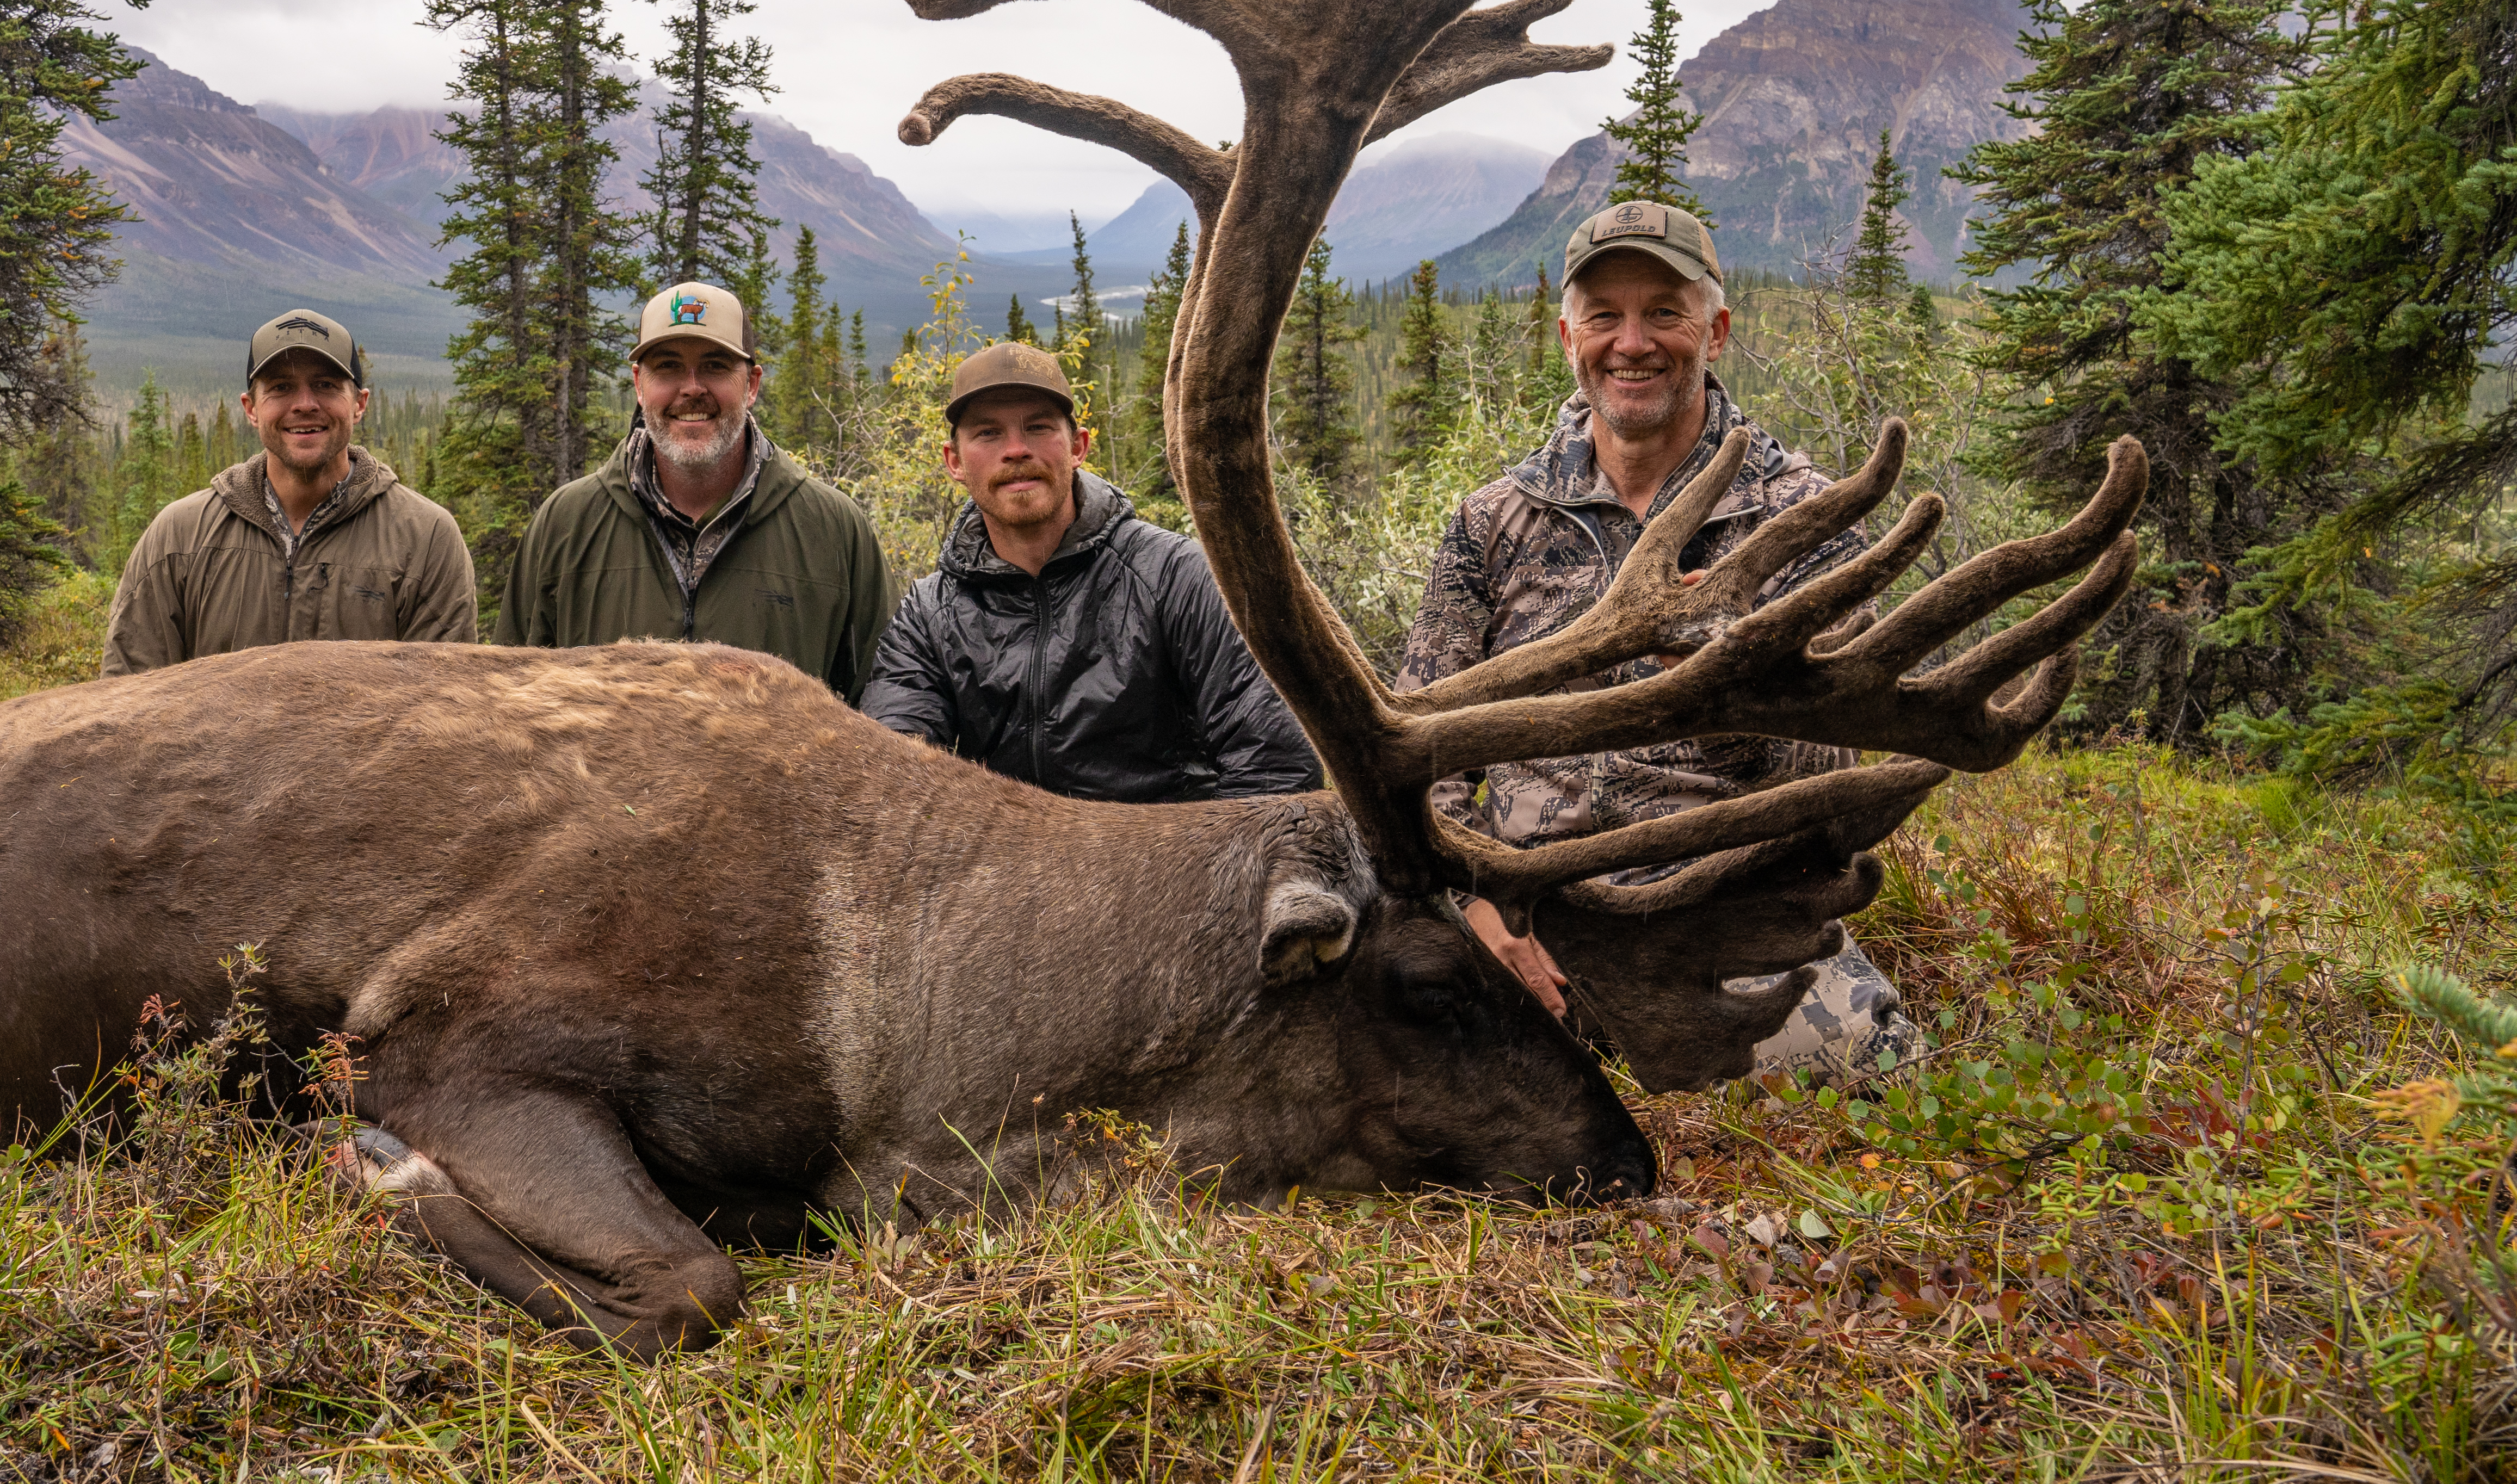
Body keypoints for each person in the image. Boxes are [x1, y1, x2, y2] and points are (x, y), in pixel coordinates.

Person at [1398, 200, 1922, 1073]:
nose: (1631, 342)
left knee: (1873, 1060)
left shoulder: (1801, 516)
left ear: (1714, 332)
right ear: (1567, 335)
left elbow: (1838, 781)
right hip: (1527, 907)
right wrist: (1474, 907)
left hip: (1720, 902)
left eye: (1663, 313)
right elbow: (1421, 745)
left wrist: (1729, 694)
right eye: (1604, 315)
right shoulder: (1493, 523)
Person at [863, 343, 1317, 801]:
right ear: (954, 461)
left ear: (1078, 447)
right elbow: (890, 779)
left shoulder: (1175, 578)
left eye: (1038, 427)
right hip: (1001, 866)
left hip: (1168, 863)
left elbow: (1275, 767)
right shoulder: (928, 615)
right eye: (988, 433)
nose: (1017, 450)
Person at [493, 281, 893, 701]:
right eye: (667, 366)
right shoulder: (566, 523)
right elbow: (508, 704)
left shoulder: (833, 530)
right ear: (639, 384)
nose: (691, 388)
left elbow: (884, 701)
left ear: (752, 384)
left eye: (716, 366)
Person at [102, 307, 478, 675]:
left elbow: (444, 710)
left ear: (360, 404)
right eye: (281, 387)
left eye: (326, 385)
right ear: (251, 409)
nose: (304, 404)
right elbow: (127, 706)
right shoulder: (180, 536)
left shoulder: (426, 539)